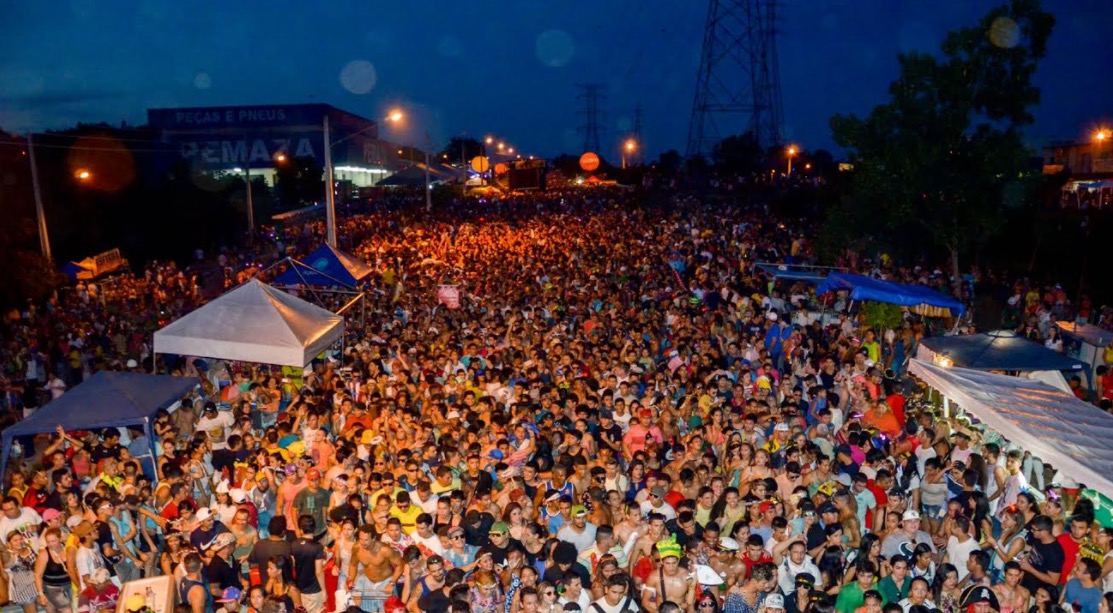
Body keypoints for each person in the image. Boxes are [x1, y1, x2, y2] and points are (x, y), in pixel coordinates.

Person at [290, 515, 326, 613]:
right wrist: (324, 591)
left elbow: (293, 565)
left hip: (300, 588)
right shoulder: (317, 547)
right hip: (314, 590)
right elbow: (319, 572)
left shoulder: (294, 544)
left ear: (301, 529)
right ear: (314, 529)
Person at [35, 526, 73, 613]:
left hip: (69, 585)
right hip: (53, 588)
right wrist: (40, 594)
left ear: (60, 539)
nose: (51, 544)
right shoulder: (44, 554)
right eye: (48, 542)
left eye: (54, 541)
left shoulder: (67, 548)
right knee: (67, 610)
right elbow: (38, 575)